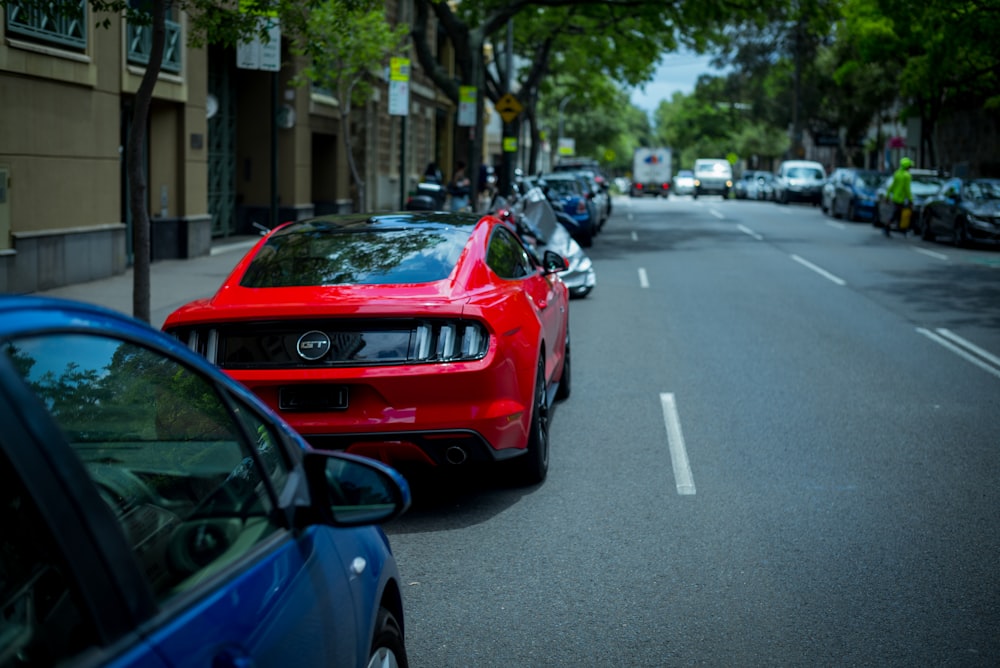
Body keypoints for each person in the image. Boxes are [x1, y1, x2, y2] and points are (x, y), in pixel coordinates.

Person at [884, 157, 913, 237]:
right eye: (910, 166)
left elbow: (892, 186)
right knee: (897, 214)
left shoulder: (897, 173)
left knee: (898, 214)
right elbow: (907, 189)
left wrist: (887, 195)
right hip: (901, 198)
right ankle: (891, 228)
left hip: (895, 197)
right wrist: (910, 199)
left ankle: (900, 229)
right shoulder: (907, 176)